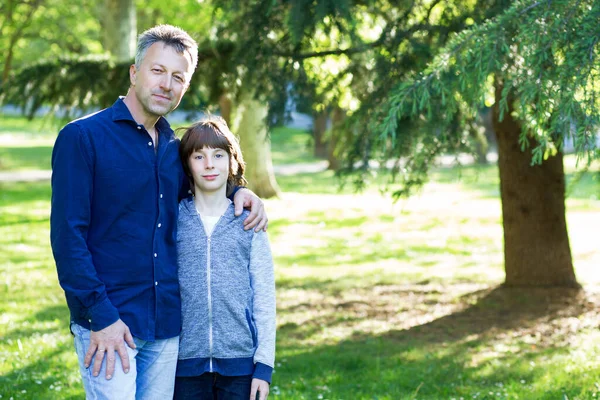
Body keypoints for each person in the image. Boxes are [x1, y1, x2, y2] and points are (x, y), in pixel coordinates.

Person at [50, 25, 267, 399]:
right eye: (157, 71)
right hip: (110, 323)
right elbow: (67, 239)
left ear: (185, 87)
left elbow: (203, 187)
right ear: (134, 73)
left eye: (178, 77)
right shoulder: (83, 138)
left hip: (167, 326)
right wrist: (101, 317)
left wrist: (241, 192)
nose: (167, 83)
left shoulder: (174, 149)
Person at [173, 117, 275, 400]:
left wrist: (263, 366)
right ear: (188, 166)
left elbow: (264, 298)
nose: (209, 164)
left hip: (241, 365)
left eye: (218, 155)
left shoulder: (249, 222)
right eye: (199, 156)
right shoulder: (174, 220)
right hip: (184, 366)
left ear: (231, 162)